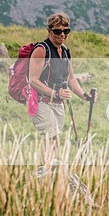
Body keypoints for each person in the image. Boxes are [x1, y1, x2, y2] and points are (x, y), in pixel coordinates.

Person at [28, 11, 96, 145]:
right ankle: (44, 166)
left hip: (59, 104)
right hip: (40, 101)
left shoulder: (65, 51)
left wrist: (84, 96)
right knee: (53, 137)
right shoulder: (41, 50)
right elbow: (33, 80)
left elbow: (70, 79)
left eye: (66, 31)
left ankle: (46, 165)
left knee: (55, 141)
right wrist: (55, 93)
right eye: (58, 31)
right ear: (49, 31)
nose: (62, 35)